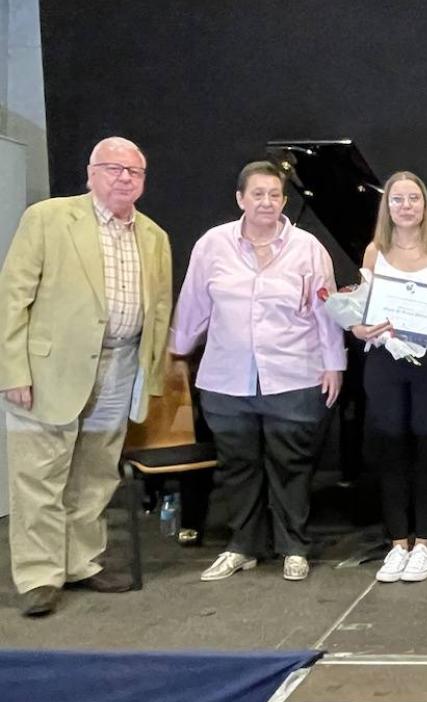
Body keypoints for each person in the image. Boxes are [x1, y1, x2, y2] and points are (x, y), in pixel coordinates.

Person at [0, 137, 172, 617]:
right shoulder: (49, 219)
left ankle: (81, 561)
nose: (124, 178)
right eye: (114, 168)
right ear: (91, 171)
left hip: (119, 367)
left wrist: (150, 376)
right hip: (48, 370)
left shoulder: (153, 235)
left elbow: (159, 309)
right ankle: (39, 575)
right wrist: (12, 369)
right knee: (39, 475)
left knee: (95, 474)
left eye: (134, 172)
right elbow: (12, 297)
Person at [170, 161, 346, 583]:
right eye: (257, 194)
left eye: (274, 195)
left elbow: (327, 310)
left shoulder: (308, 248)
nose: (266, 202)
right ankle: (241, 546)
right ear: (240, 199)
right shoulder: (212, 245)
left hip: (294, 373)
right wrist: (176, 354)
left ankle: (293, 547)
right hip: (227, 377)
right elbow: (194, 302)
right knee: (237, 465)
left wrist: (334, 363)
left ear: (284, 201)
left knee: (292, 466)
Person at [350, 171, 427, 584]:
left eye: (413, 198)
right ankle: (398, 542)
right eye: (397, 199)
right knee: (391, 448)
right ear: (387, 207)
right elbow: (362, 316)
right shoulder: (373, 252)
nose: (406, 206)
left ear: (425, 205)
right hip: (385, 362)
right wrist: (359, 328)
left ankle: (426, 544)